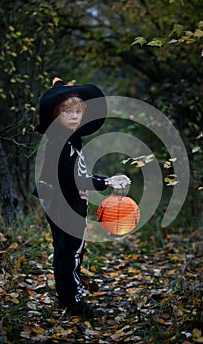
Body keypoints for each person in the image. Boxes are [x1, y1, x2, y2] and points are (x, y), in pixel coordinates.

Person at [34, 77, 130, 318]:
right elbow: (71, 179)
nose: (74, 116)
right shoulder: (59, 143)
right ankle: (73, 301)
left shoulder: (69, 142)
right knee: (70, 251)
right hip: (62, 204)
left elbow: (77, 174)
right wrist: (107, 182)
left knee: (67, 250)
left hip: (69, 202)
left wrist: (102, 180)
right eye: (67, 112)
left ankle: (68, 296)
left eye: (78, 111)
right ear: (56, 116)